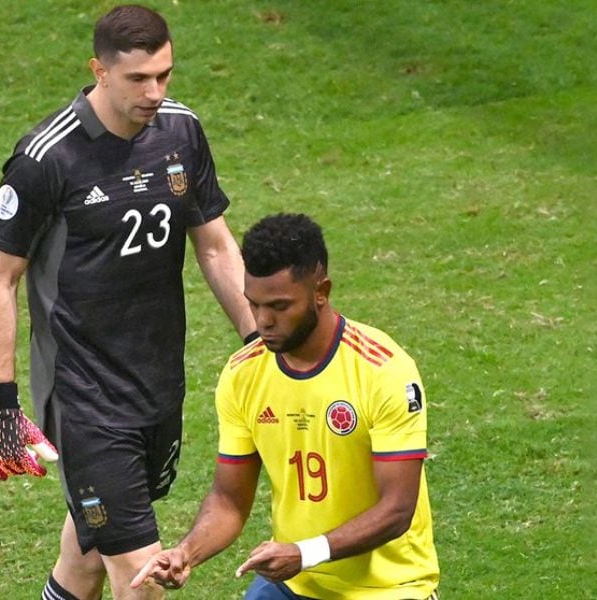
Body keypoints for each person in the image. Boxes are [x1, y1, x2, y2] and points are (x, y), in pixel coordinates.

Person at [0, 5, 256, 600]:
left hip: (156, 384)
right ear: (98, 70)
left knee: (86, 556)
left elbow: (213, 244)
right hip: (83, 399)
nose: (155, 92)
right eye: (138, 79)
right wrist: (0, 405)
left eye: (165, 75)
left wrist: (260, 343)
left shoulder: (181, 132)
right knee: (143, 577)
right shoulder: (47, 158)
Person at [132, 213, 440, 599]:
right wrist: (186, 553)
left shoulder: (383, 370)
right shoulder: (244, 374)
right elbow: (230, 498)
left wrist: (306, 552)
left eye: (279, 306)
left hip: (389, 588)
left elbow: (397, 509)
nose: (263, 321)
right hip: (296, 585)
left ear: (321, 292)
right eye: (254, 304)